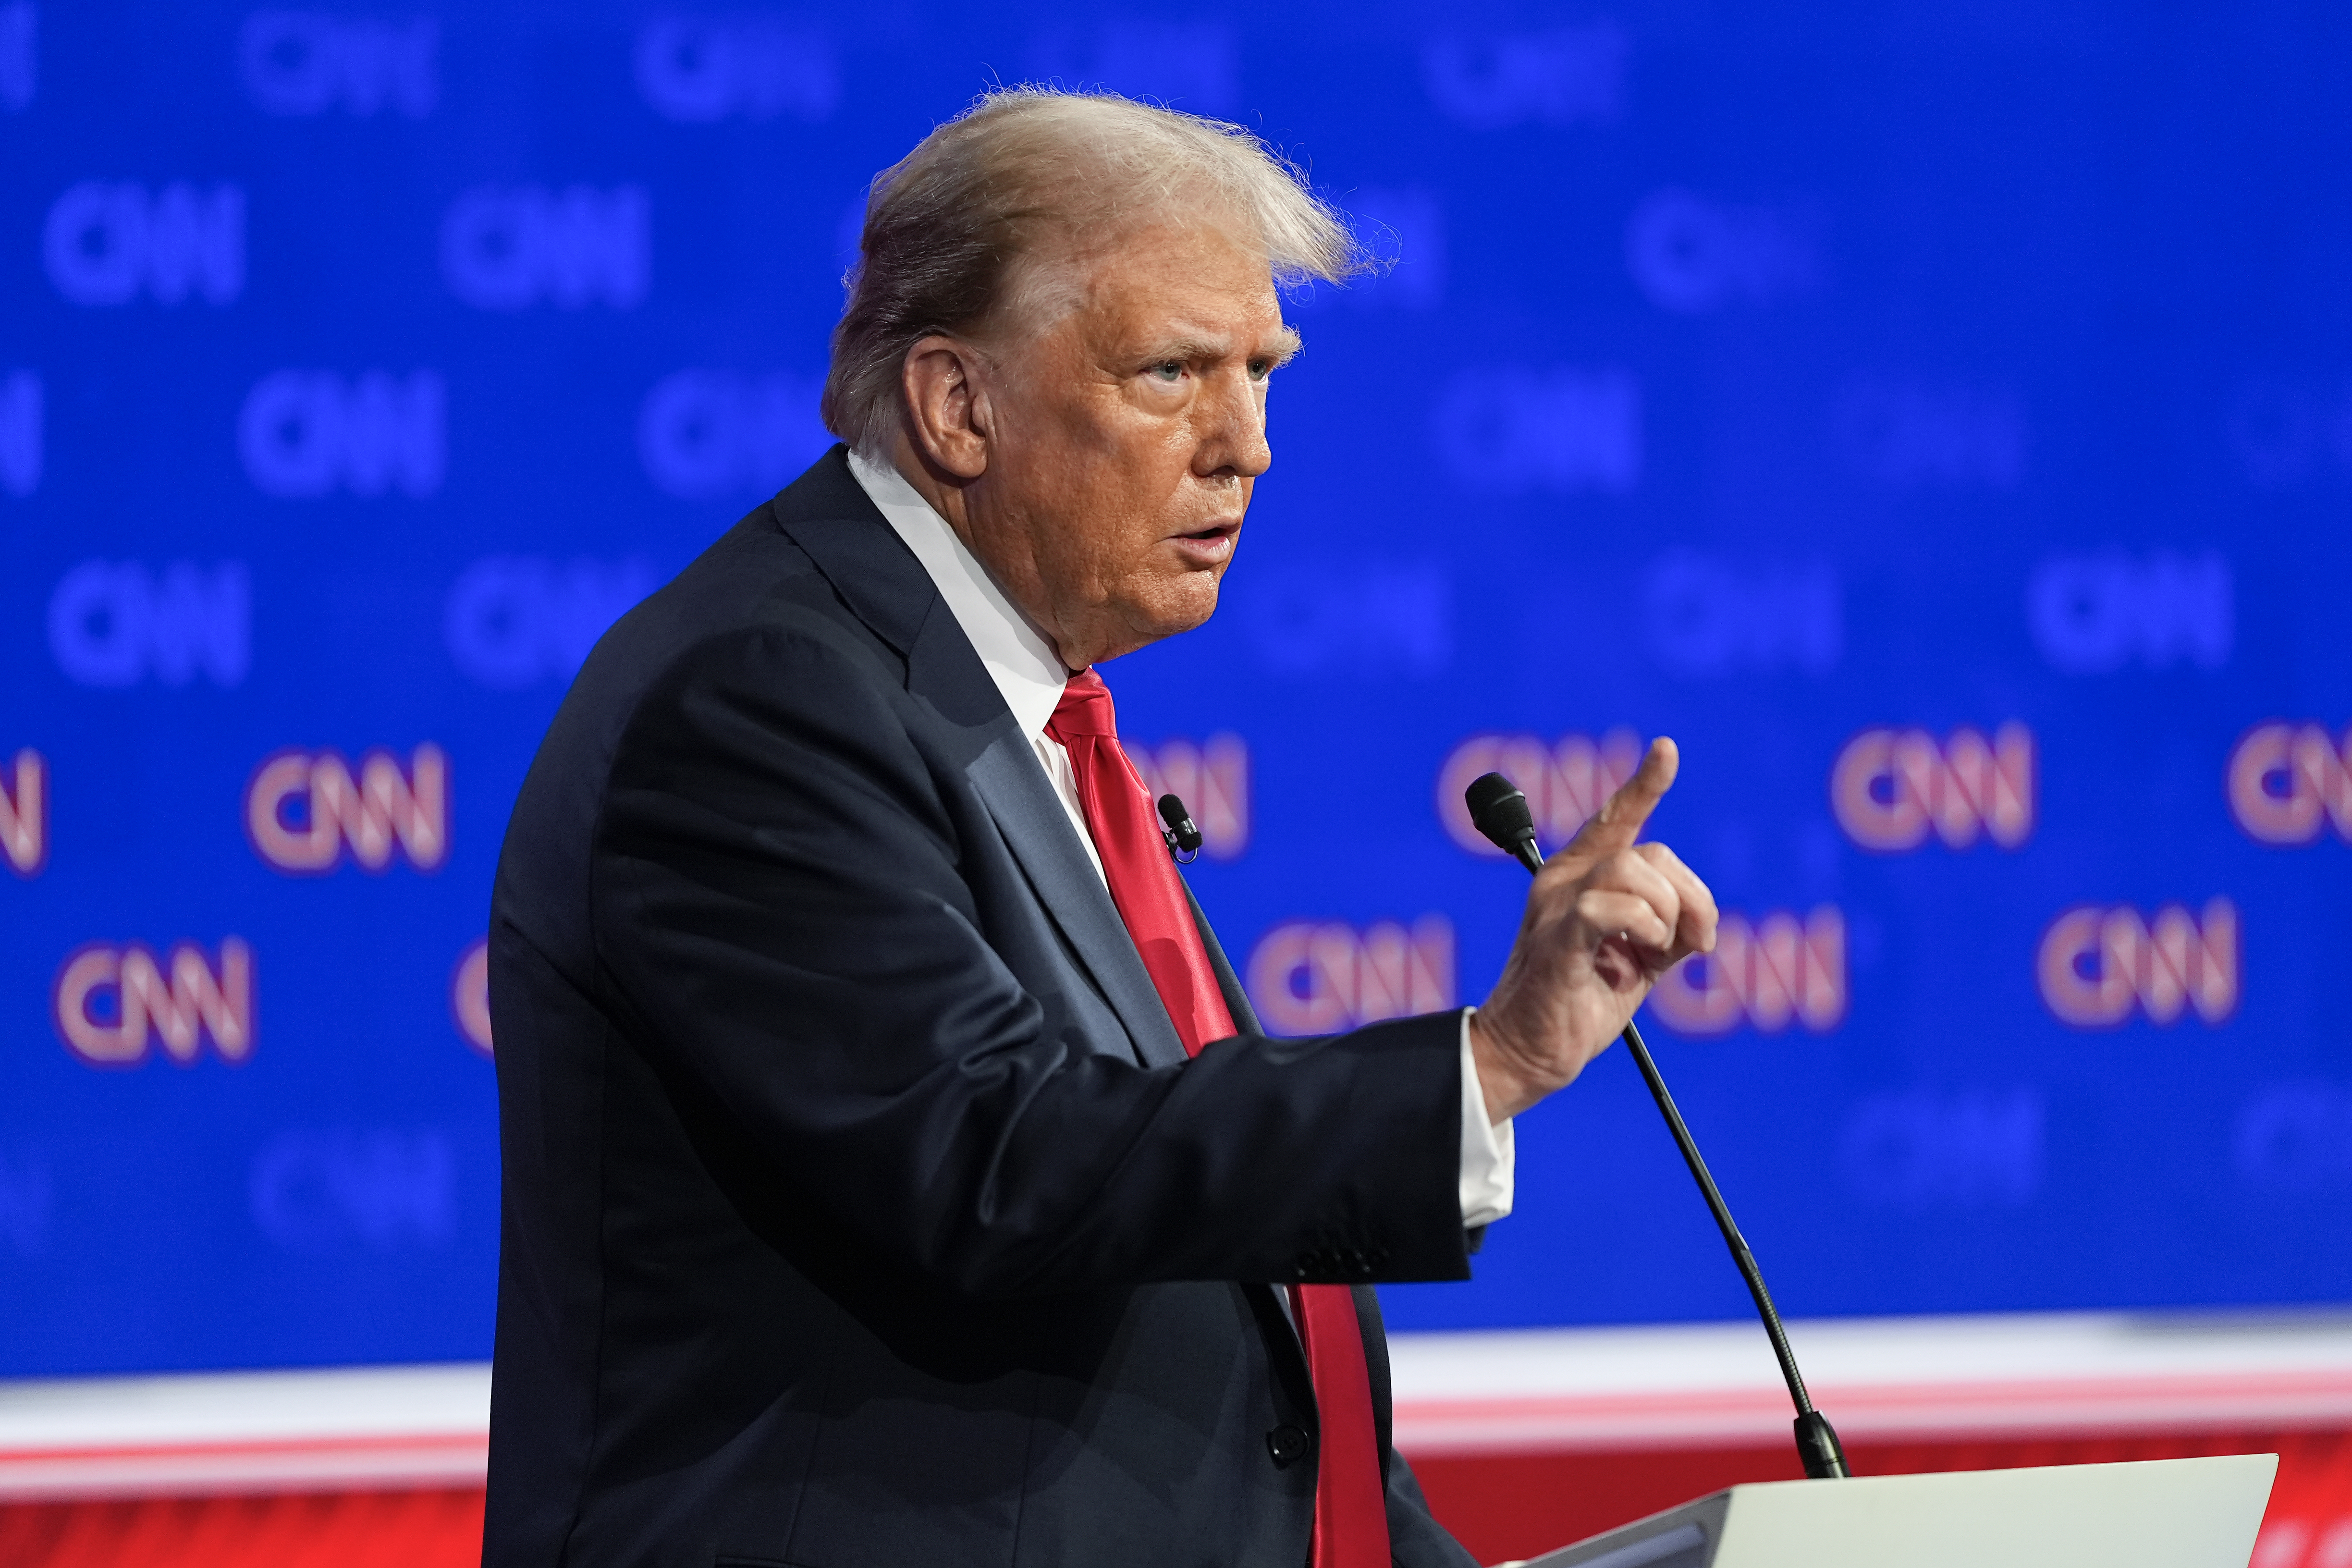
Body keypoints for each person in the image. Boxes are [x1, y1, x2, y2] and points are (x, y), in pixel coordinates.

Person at [482, 88, 1717, 1568]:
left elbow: (1208, 1315)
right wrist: (1490, 1063)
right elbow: (993, 1161)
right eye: (1172, 373)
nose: (1246, 447)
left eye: (1264, 374)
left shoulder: (1013, 701)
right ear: (958, 406)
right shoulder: (762, 697)